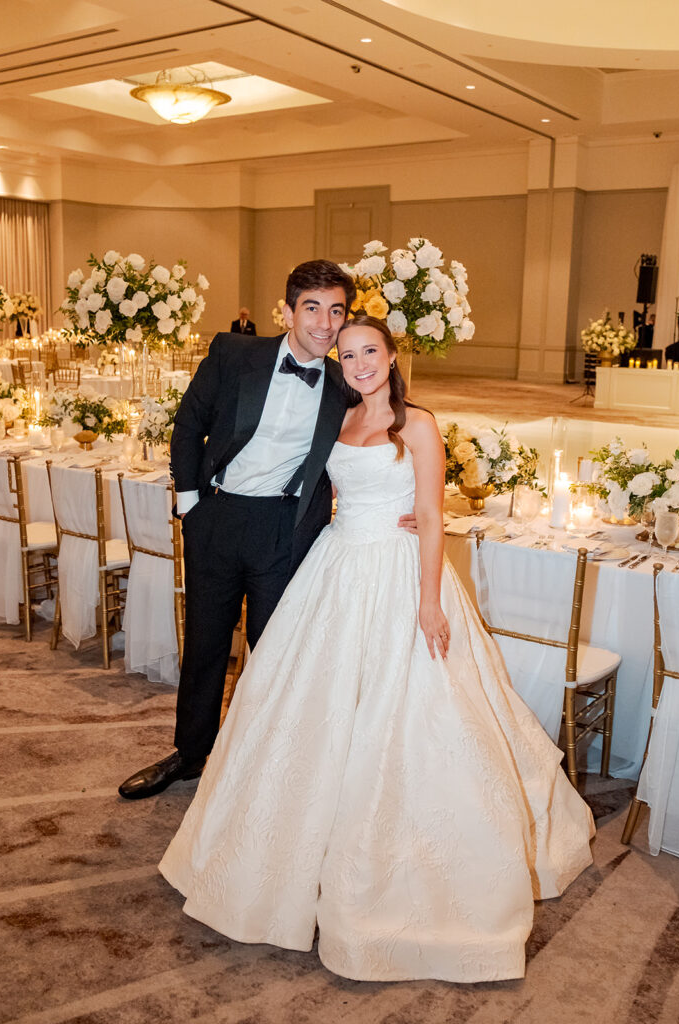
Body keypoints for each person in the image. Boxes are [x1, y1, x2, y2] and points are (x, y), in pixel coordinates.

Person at [158, 315, 595, 984]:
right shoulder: (332, 418)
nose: (359, 362)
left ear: (392, 357)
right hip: (336, 567)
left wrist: (428, 602)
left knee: (417, 720)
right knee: (302, 712)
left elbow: (431, 518)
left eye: (370, 351)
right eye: (348, 353)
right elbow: (299, 481)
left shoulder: (416, 425)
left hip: (400, 577)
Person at [118, 259, 360, 800]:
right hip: (218, 516)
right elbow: (190, 423)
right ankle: (190, 753)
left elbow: (395, 423)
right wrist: (190, 506)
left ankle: (258, 761)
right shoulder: (235, 352)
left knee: (272, 650)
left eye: (336, 310)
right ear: (289, 309)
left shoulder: (349, 375)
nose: (325, 323)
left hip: (287, 526)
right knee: (205, 642)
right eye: (313, 308)